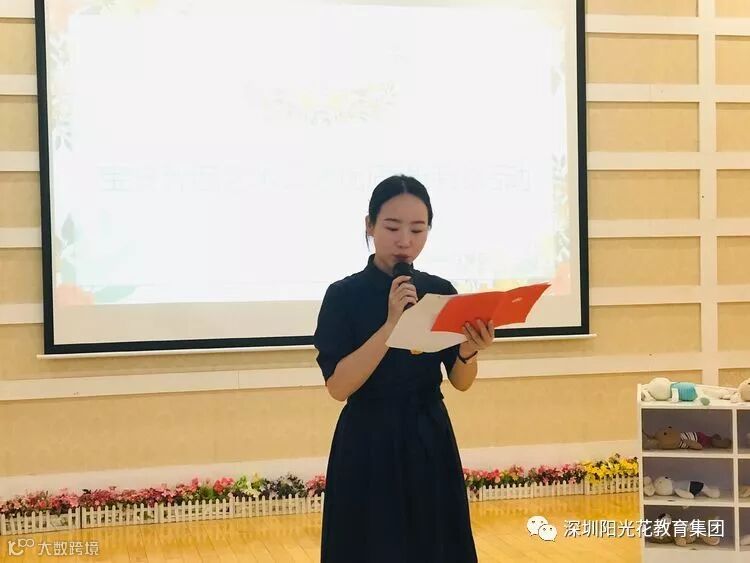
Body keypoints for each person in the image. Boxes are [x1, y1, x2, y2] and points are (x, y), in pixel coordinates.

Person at [313, 175, 494, 563]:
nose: (405, 241)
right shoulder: (343, 295)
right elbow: (339, 387)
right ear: (370, 225)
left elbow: (460, 381)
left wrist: (468, 352)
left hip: (428, 435)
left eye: (417, 229)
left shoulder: (439, 290)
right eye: (392, 227)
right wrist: (392, 324)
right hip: (367, 439)